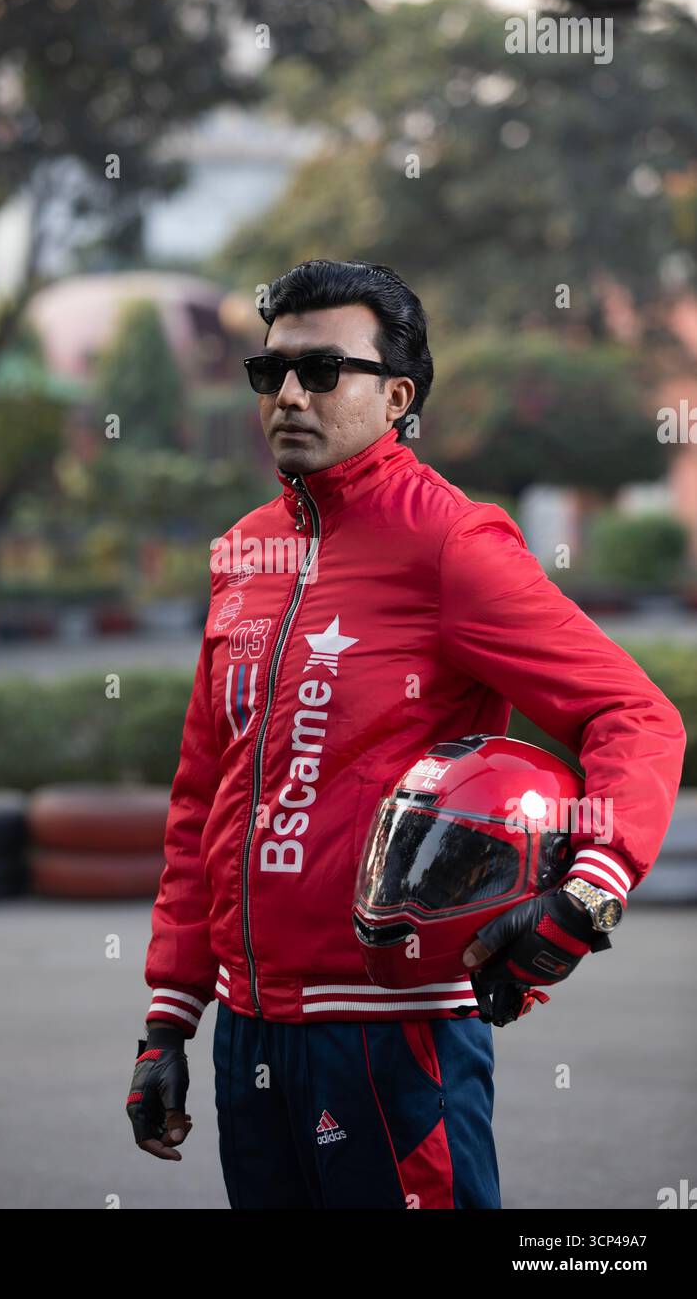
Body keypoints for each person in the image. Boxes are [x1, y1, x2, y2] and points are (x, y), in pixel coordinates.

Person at [126, 257, 687, 1209]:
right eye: (271, 374)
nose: (289, 395)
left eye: (322, 371)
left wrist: (590, 894)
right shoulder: (244, 553)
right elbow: (204, 798)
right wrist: (169, 1019)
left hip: (391, 1034)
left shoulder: (452, 544)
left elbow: (633, 716)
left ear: (396, 396)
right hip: (249, 1036)